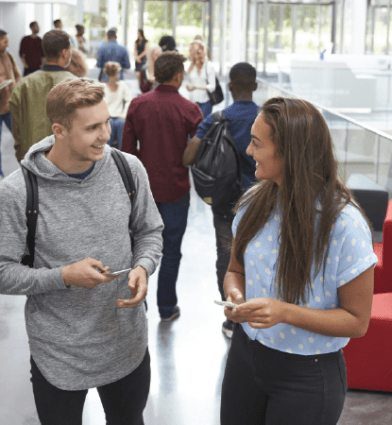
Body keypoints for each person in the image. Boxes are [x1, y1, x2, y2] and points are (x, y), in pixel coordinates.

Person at [0, 77, 164, 425]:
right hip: (58, 354)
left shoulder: (127, 169)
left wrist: (143, 267)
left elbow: (149, 231)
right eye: (92, 128)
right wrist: (64, 276)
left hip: (126, 344)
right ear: (59, 130)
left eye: (106, 122)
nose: (106, 134)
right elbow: (2, 271)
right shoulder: (17, 192)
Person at [220, 97, 377, 425]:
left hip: (308, 376)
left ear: (288, 152)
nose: (249, 152)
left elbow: (357, 320)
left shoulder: (344, 226)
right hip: (245, 357)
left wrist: (284, 313)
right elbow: (235, 270)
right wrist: (236, 298)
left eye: (256, 143)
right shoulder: (253, 202)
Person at [122, 52, 203, 321]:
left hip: (142, 191)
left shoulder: (137, 105)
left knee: (138, 248)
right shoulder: (190, 109)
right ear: (179, 76)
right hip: (176, 190)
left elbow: (126, 152)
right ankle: (167, 307)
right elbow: (199, 152)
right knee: (170, 250)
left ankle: (138, 303)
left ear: (155, 75)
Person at [183, 62, 258, 338]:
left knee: (227, 258)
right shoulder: (268, 120)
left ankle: (232, 317)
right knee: (262, 256)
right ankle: (258, 315)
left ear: (229, 87)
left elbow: (188, 157)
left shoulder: (215, 119)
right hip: (261, 202)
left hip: (226, 201)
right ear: (255, 86)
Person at [9, 30, 75, 162]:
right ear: (64, 53)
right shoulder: (76, 85)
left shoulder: (22, 86)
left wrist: (21, 156)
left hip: (32, 159)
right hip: (67, 162)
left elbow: (16, 130)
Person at [0, 29, 21, 180]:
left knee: (21, 136)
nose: (7, 44)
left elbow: (17, 75)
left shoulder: (9, 56)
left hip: (10, 106)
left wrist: (18, 87)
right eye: (5, 41)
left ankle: (27, 170)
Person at [103, 61, 132, 149]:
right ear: (108, 75)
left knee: (122, 124)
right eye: (116, 74)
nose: (117, 76)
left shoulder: (122, 86)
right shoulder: (103, 87)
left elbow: (129, 100)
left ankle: (122, 153)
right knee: (109, 125)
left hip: (120, 116)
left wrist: (124, 114)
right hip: (108, 117)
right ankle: (106, 154)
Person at [186, 40, 215, 118]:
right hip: (192, 102)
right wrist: (189, 87)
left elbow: (212, 87)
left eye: (192, 50)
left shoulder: (208, 66)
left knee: (202, 126)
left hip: (206, 102)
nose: (190, 53)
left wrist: (197, 87)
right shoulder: (190, 67)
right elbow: (190, 83)